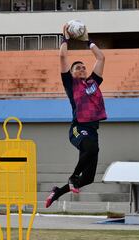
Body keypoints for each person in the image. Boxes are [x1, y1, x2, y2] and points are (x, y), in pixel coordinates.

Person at [45, 23, 107, 208]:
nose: (81, 69)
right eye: (77, 68)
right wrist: (66, 38)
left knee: (88, 178)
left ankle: (58, 191)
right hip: (78, 128)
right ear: (71, 73)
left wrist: (88, 41)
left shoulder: (93, 82)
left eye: (83, 67)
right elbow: (63, 56)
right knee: (91, 148)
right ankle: (72, 177)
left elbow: (101, 58)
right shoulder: (71, 84)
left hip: (92, 130)